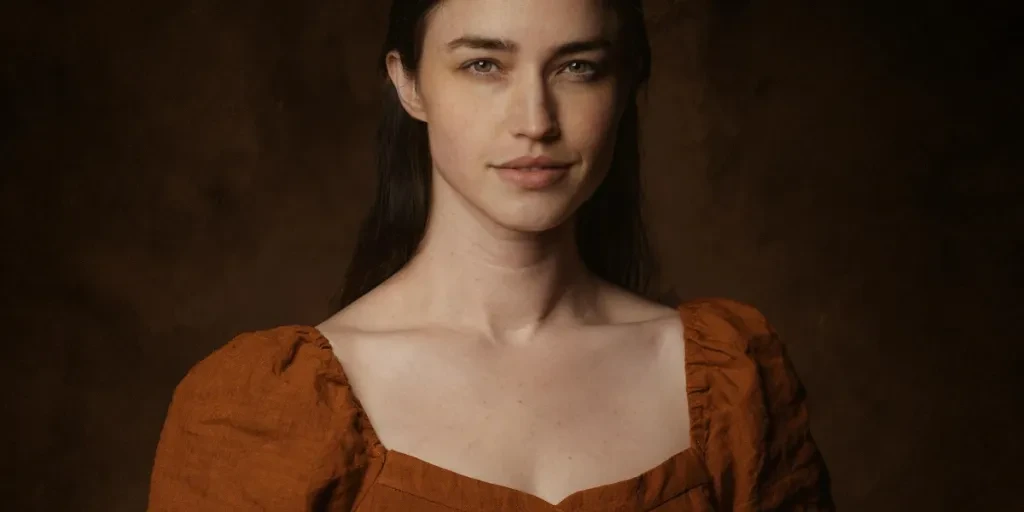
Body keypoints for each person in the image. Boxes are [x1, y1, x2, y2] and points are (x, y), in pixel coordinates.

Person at [147, 0, 834, 510]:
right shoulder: (259, 411)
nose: (534, 119)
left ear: (623, 88)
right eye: (484, 64)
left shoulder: (734, 382)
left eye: (577, 67)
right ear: (409, 83)